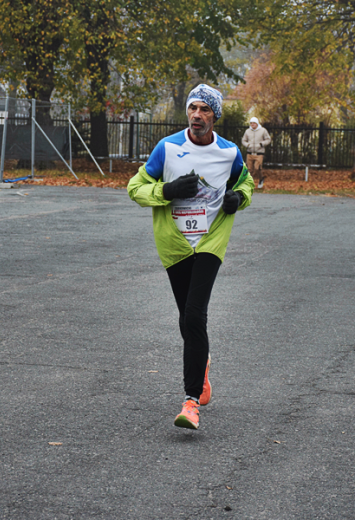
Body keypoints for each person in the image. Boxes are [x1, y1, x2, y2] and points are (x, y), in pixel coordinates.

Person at [127, 84, 254, 430]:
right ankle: (203, 363)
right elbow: (134, 188)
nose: (197, 115)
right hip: (175, 244)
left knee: (195, 315)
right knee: (187, 319)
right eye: (193, 108)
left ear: (215, 116)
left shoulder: (229, 153)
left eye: (205, 110)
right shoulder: (167, 149)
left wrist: (236, 200)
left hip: (210, 243)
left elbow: (246, 185)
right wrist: (166, 191)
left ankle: (191, 401)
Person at [241, 117, 271, 188]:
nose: (252, 124)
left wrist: (261, 144)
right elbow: (243, 140)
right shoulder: (247, 131)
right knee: (249, 169)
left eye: (254, 123)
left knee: (257, 168)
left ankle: (261, 179)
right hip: (250, 153)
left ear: (257, 123)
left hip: (259, 153)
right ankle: (249, 183)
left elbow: (268, 139)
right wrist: (247, 145)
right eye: (251, 123)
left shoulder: (263, 130)